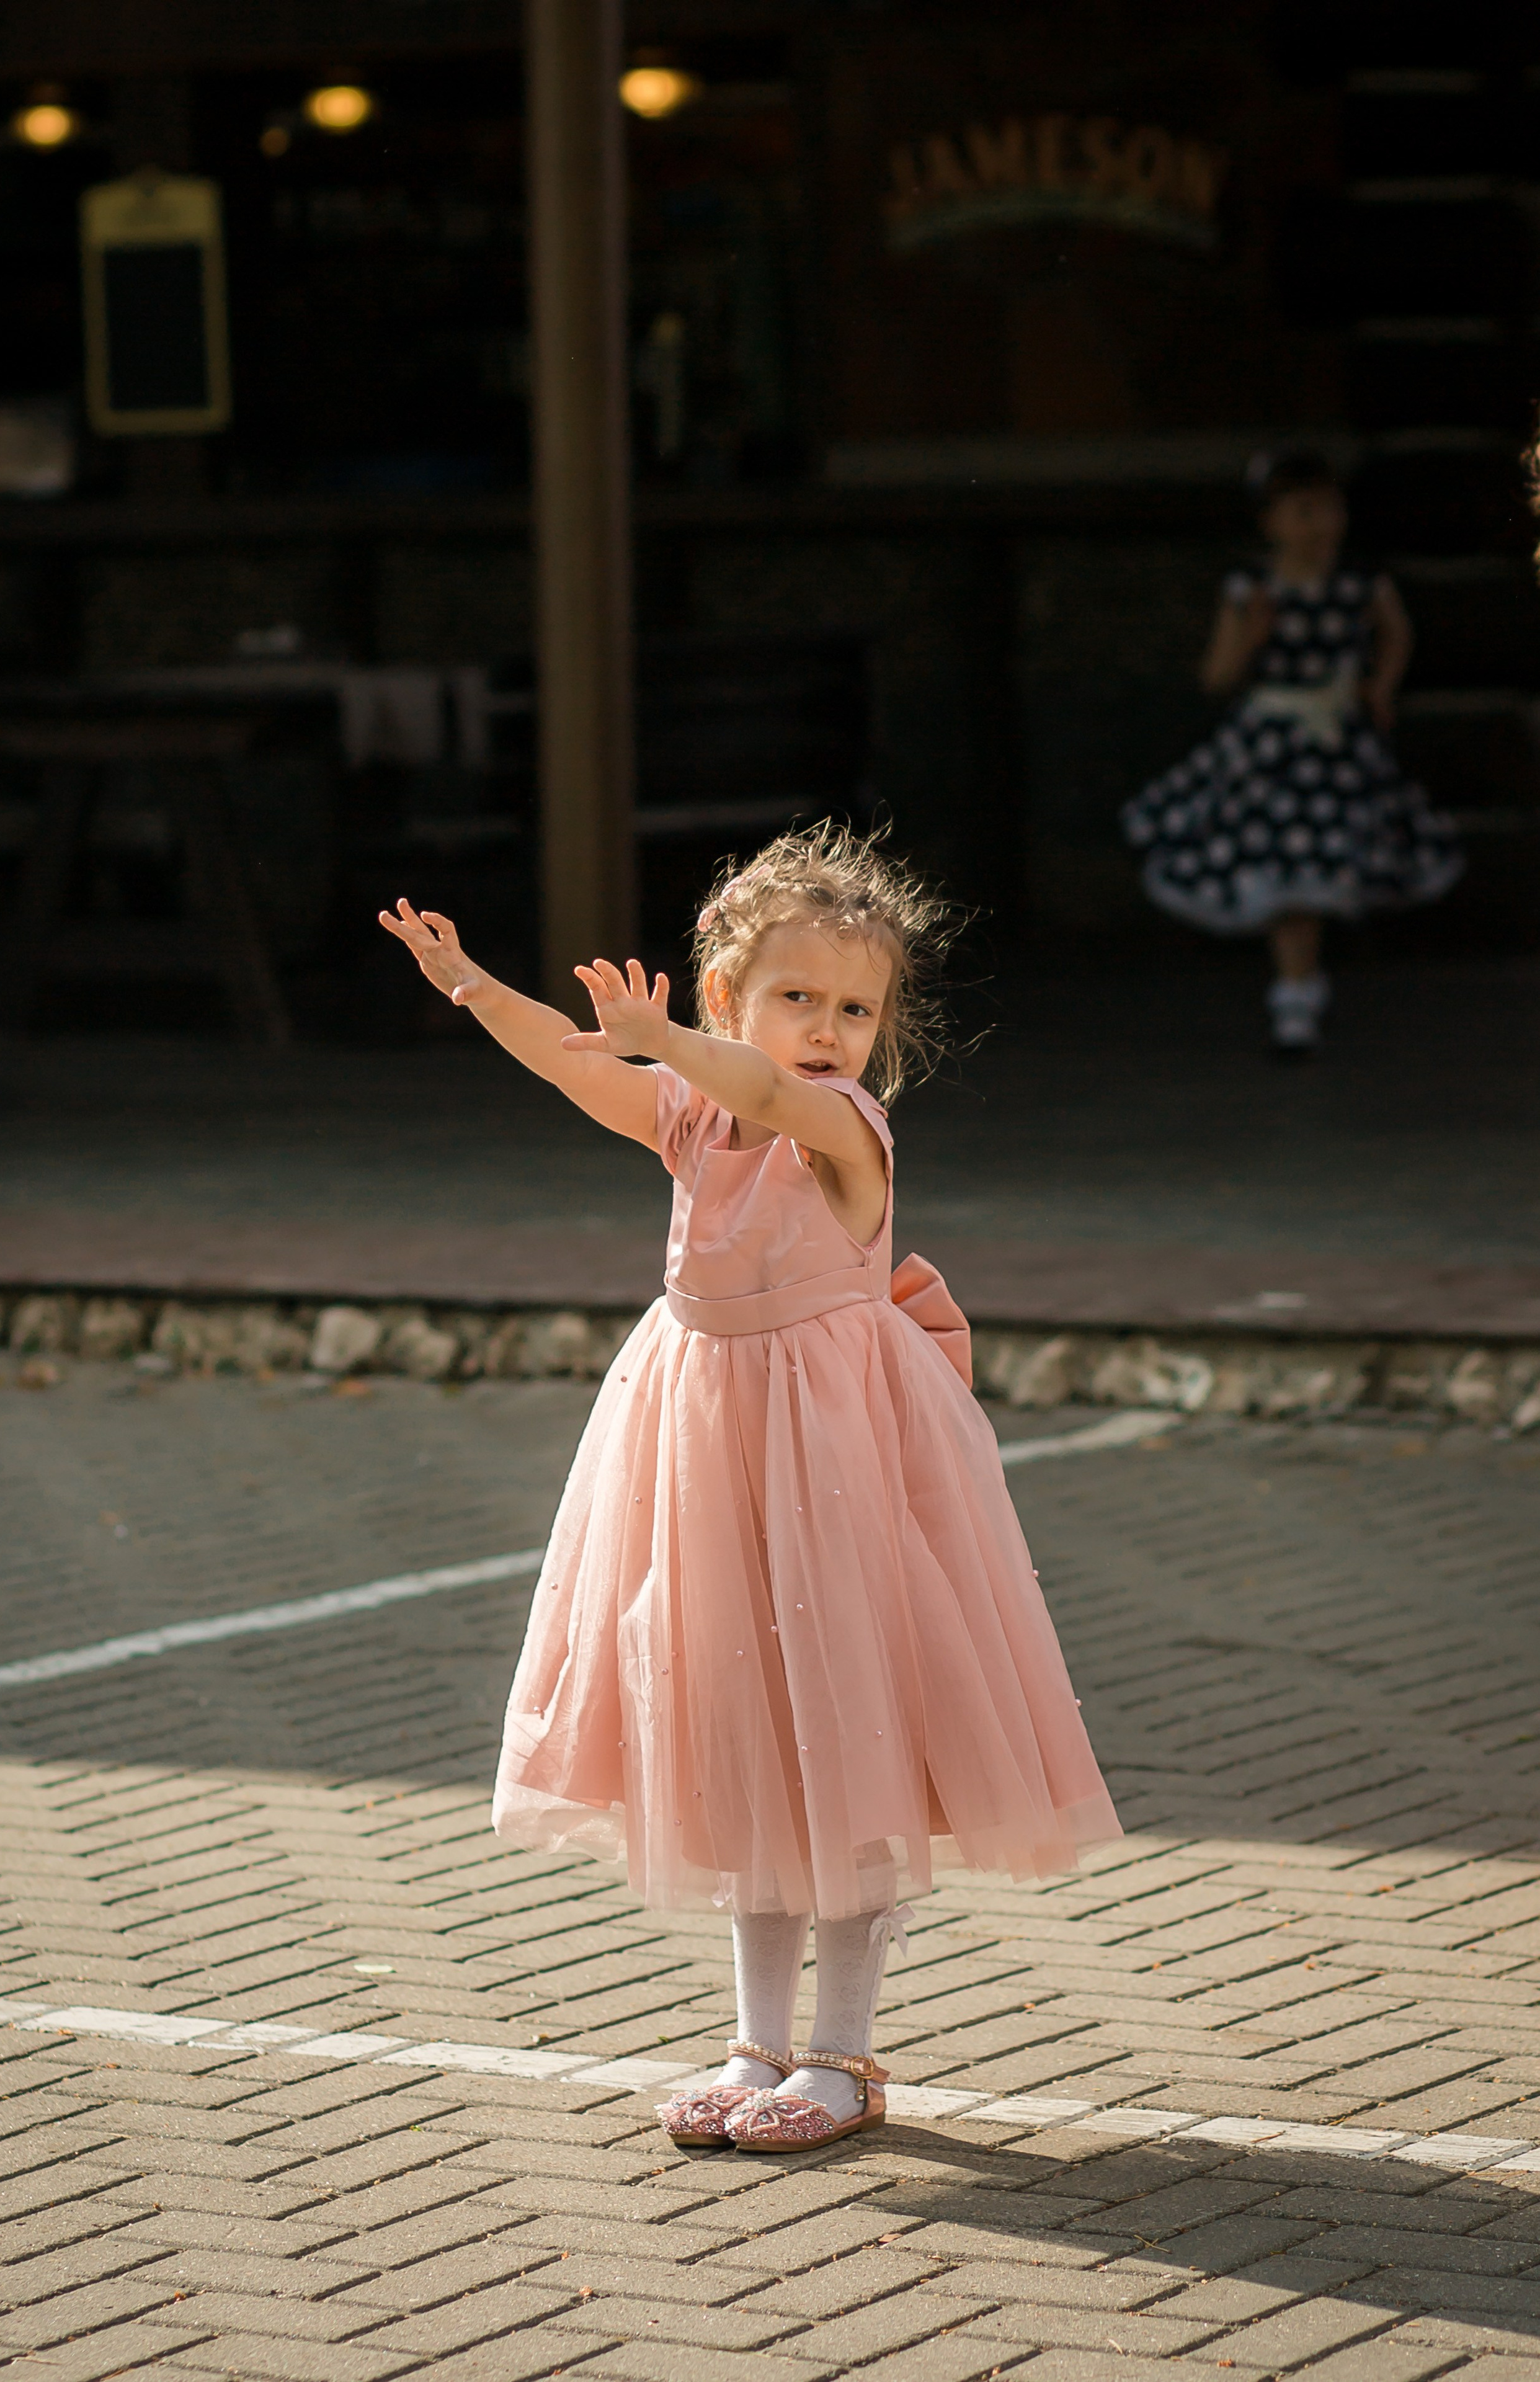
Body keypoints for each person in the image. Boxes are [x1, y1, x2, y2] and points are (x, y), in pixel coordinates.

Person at [380, 825, 1118, 2151]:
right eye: (796, 998)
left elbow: (770, 1100)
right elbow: (569, 1061)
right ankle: (750, 2042)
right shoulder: (688, 1108)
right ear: (726, 993)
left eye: (854, 1008)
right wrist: (470, 984)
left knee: (843, 1733)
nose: (827, 1028)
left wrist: (670, 1043)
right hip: (704, 1440)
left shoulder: (843, 1124)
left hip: (832, 1456)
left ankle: (840, 2056)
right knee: (743, 1734)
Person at [1122, 449, 1463, 1053]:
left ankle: (1303, 990)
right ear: (1271, 522)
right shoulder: (1251, 588)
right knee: (1287, 868)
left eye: (1330, 509)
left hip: (1336, 745)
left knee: (1325, 861)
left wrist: (1378, 687)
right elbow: (1217, 676)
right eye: (1304, 511)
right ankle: (1296, 996)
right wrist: (1251, 636)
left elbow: (1395, 633)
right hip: (1271, 748)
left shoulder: (1360, 581)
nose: (1321, 524)